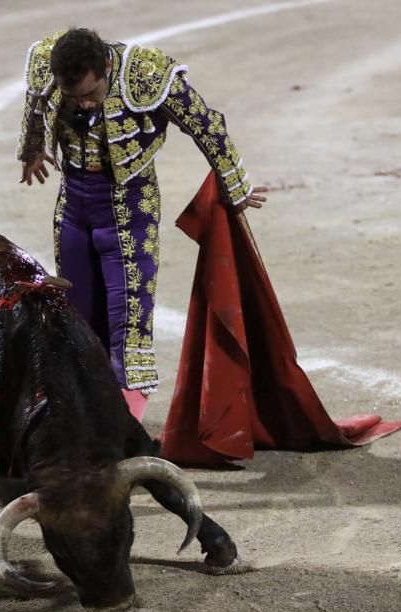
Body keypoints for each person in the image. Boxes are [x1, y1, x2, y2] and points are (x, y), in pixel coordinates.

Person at [17, 27, 267, 422]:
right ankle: (89, 421)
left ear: (106, 68)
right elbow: (35, 102)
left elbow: (207, 125)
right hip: (73, 209)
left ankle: (124, 431)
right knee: (77, 321)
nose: (82, 105)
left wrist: (235, 187)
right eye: (74, 97)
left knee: (129, 327)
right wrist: (32, 149)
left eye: (90, 94)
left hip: (130, 212)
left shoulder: (146, 75)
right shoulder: (50, 64)